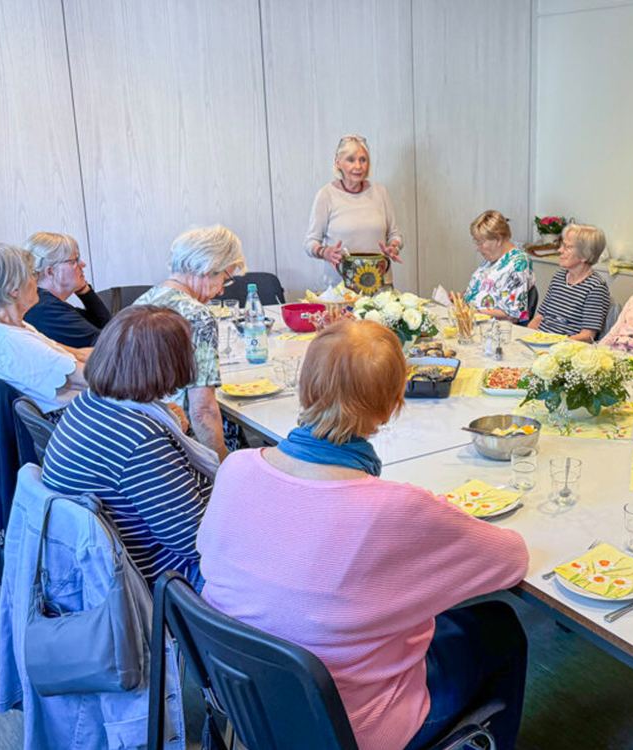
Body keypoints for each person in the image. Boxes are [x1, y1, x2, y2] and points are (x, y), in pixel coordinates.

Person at [197, 319, 529, 750]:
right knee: (500, 626)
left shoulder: (237, 468)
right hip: (348, 727)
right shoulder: (394, 508)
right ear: (393, 404)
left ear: (303, 387)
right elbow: (511, 560)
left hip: (246, 700)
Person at [41, 305, 215, 587]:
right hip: (163, 577)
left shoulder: (91, 403)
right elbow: (195, 542)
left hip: (121, 555)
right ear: (169, 365)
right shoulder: (138, 439)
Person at [134, 225, 247, 461]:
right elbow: (202, 411)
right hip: (177, 440)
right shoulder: (196, 316)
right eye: (225, 280)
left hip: (139, 431)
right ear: (208, 268)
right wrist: (221, 472)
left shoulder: (142, 301)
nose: (220, 292)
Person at [0, 242, 89, 414]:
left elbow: (73, 353)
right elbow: (88, 379)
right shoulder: (11, 342)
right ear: (13, 289)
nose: (36, 281)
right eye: (31, 274)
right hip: (69, 421)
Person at [306, 134, 404, 291]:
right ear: (338, 163)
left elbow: (395, 235)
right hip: (341, 289)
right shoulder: (326, 195)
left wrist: (393, 247)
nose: (358, 166)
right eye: (351, 160)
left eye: (363, 160)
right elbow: (310, 243)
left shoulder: (380, 192)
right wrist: (325, 252)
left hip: (380, 287)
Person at [21, 231, 112, 347]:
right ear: (50, 271)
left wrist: (85, 291)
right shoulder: (46, 309)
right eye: (74, 261)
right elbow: (107, 346)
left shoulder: (45, 301)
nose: (83, 264)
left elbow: (107, 327)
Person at [528, 223, 611, 342]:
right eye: (562, 245)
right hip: (541, 342)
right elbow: (539, 318)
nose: (560, 250)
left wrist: (557, 345)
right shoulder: (559, 277)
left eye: (567, 247)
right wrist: (528, 337)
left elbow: (588, 336)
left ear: (585, 255)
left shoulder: (596, 287)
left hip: (566, 349)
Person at [463, 209, 533, 323]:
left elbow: (512, 315)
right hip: (473, 323)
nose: (477, 248)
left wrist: (475, 312)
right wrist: (459, 300)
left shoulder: (518, 262)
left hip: (496, 330)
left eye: (480, 242)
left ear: (498, 239)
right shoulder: (491, 260)